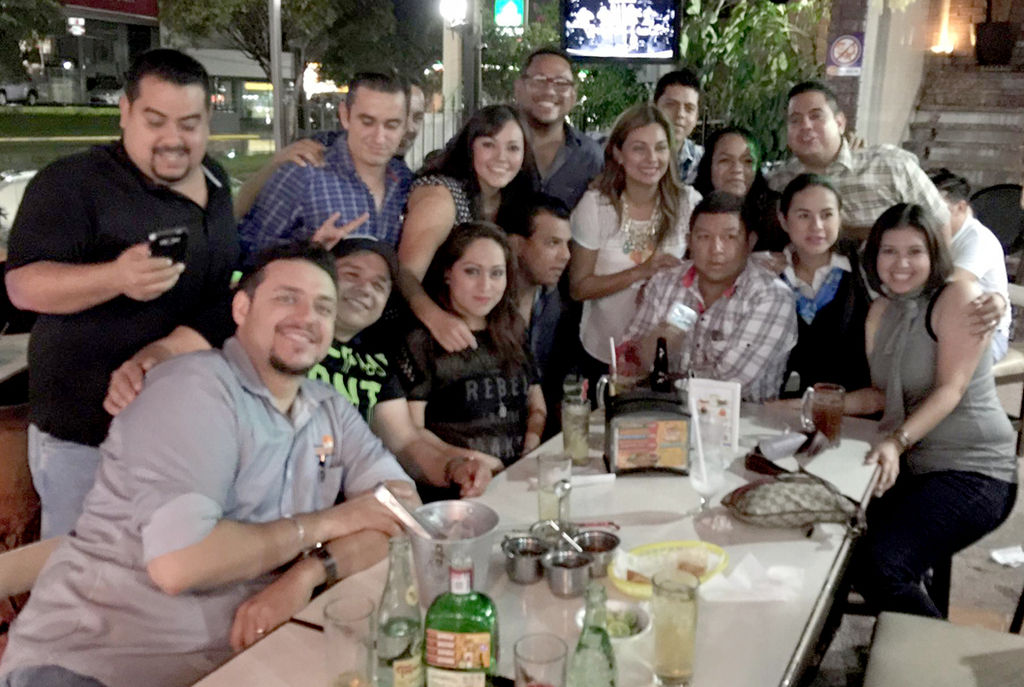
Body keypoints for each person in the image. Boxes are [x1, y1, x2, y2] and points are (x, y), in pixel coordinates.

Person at [0, 243, 415, 687]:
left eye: (323, 307)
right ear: (241, 308)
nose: (306, 317)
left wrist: (310, 573)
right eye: (287, 298)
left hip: (238, 656)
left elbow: (403, 510)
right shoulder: (192, 391)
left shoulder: (327, 407)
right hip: (102, 661)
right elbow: (182, 563)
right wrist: (330, 523)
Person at [3, 49, 240, 539]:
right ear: (125, 112)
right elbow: (22, 286)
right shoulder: (73, 183)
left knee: (169, 562)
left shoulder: (215, 180)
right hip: (86, 430)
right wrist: (114, 277)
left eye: (190, 124)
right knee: (82, 566)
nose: (173, 139)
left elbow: (218, 289)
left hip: (184, 426)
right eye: (155, 121)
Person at [855, 203, 1017, 618]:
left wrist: (896, 442)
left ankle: (931, 649)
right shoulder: (881, 311)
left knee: (882, 564)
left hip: (974, 468)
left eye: (915, 251)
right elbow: (881, 395)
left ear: (935, 254)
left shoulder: (957, 297)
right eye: (889, 251)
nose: (901, 263)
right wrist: (809, 405)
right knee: (839, 536)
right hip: (915, 467)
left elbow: (951, 388)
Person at [308, 237, 497, 495]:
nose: (366, 289)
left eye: (379, 285)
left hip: (353, 500)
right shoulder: (292, 343)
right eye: (352, 274)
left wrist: (454, 468)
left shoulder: (376, 363)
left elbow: (405, 443)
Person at [397, 222, 546, 491]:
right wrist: (473, 463)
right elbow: (413, 432)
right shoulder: (422, 340)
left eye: (496, 273)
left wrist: (531, 445)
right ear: (447, 273)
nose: (485, 286)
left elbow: (536, 405)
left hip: (519, 480)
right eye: (472, 271)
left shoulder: (513, 328)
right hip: (458, 486)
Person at [568, 103, 701, 389]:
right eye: (639, 148)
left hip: (667, 358)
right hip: (603, 354)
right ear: (618, 153)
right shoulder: (596, 206)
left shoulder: (688, 204)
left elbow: (702, 279)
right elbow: (578, 288)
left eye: (660, 148)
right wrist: (641, 272)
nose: (652, 158)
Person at [623, 192, 797, 402]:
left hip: (742, 417)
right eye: (704, 237)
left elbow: (728, 385)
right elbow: (627, 364)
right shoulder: (664, 283)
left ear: (750, 242)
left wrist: (661, 372)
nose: (716, 250)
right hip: (661, 413)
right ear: (689, 242)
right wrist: (657, 342)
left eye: (729, 237)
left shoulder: (772, 296)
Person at [397, 104, 537, 352]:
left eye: (513, 148)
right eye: (489, 145)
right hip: (421, 334)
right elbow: (404, 274)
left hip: (480, 336)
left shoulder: (513, 200)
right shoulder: (441, 197)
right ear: (469, 146)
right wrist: (436, 320)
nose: (501, 157)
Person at [237, 72, 413, 257]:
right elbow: (250, 255)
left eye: (392, 125)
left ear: (405, 125)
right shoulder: (302, 176)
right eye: (367, 122)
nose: (379, 137)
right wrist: (310, 254)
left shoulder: (405, 183)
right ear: (345, 115)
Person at [768, 81, 951, 242]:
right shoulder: (778, 182)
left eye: (816, 116)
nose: (806, 126)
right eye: (795, 120)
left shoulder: (891, 166)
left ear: (840, 123)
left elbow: (939, 223)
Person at [776, 174, 872, 399]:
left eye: (827, 215)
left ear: (840, 217)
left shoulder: (865, 269)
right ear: (783, 220)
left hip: (854, 410)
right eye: (803, 216)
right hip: (779, 410)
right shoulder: (768, 273)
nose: (816, 226)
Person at [506, 194, 575, 435]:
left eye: (567, 244)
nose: (566, 255)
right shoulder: (484, 304)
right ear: (516, 245)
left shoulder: (552, 301)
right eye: (553, 243)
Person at [929, 168, 1010, 361]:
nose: (929, 217)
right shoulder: (934, 236)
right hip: (943, 324)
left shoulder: (978, 239)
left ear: (961, 208)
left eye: (936, 209)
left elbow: (950, 289)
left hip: (986, 333)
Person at [513, 46, 603, 210]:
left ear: (573, 96)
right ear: (518, 88)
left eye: (561, 83)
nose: (549, 91)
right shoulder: (493, 149)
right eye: (539, 80)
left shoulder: (590, 157)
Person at [694, 126, 787, 252]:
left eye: (748, 161)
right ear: (709, 166)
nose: (737, 169)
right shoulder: (689, 205)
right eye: (725, 160)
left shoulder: (777, 213)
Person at [652, 68, 703, 184]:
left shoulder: (703, 162)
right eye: (671, 105)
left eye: (689, 108)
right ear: (654, 108)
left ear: (696, 117)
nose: (680, 114)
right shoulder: (631, 155)